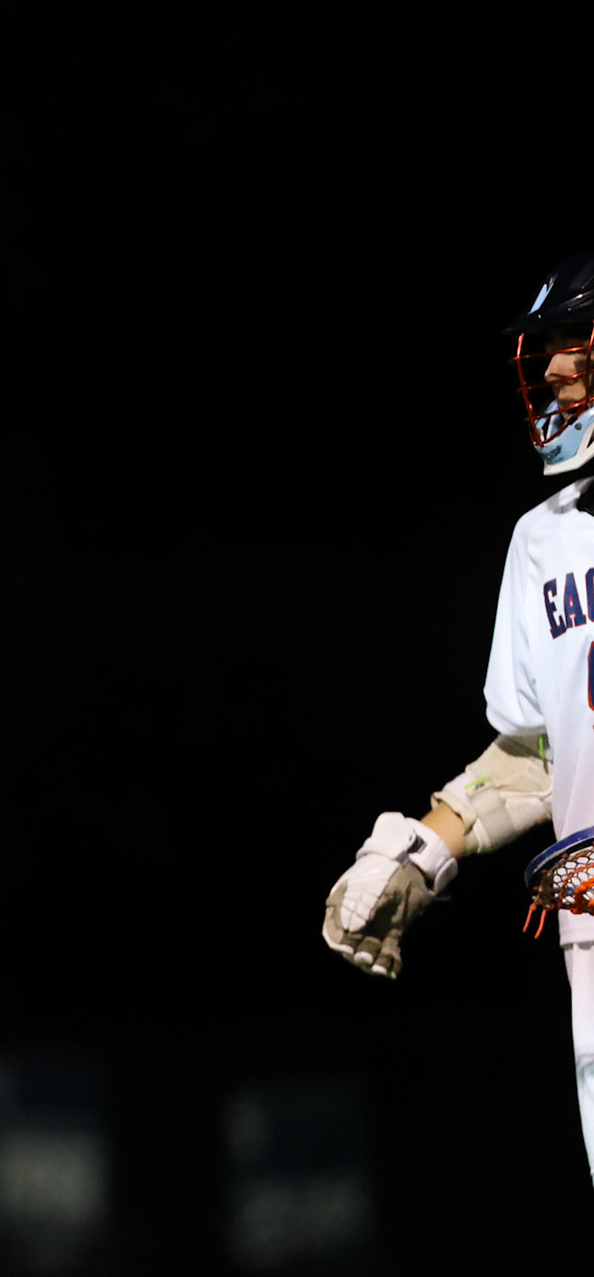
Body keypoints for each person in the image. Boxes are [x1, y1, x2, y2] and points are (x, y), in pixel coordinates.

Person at [321, 249, 594, 1184]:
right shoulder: (544, 538)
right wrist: (424, 850)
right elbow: (541, 749)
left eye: (580, 344)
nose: (556, 369)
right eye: (550, 348)